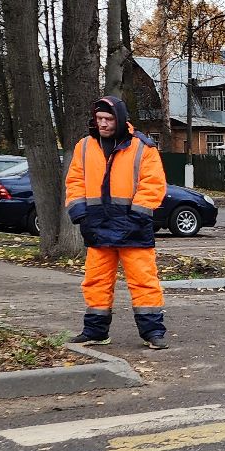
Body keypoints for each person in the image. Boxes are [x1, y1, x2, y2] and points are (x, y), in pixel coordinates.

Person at [66, 96, 170, 349]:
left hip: (133, 226)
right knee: (96, 281)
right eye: (99, 118)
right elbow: (75, 181)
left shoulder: (142, 147)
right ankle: (95, 332)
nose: (102, 123)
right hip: (98, 225)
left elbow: (153, 185)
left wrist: (136, 217)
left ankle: (153, 333)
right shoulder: (84, 146)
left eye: (108, 119)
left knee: (143, 281)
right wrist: (81, 215)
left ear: (120, 119)